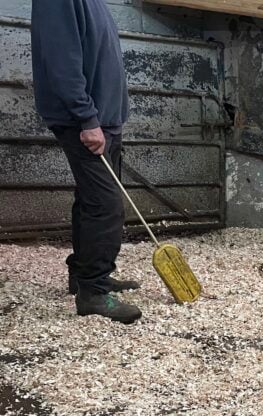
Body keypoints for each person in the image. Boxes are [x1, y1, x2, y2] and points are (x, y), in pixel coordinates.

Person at [31, 0, 142, 324]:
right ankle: (93, 292)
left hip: (104, 120)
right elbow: (62, 59)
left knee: (91, 200)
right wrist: (87, 118)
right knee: (105, 205)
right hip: (86, 122)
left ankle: (85, 275)